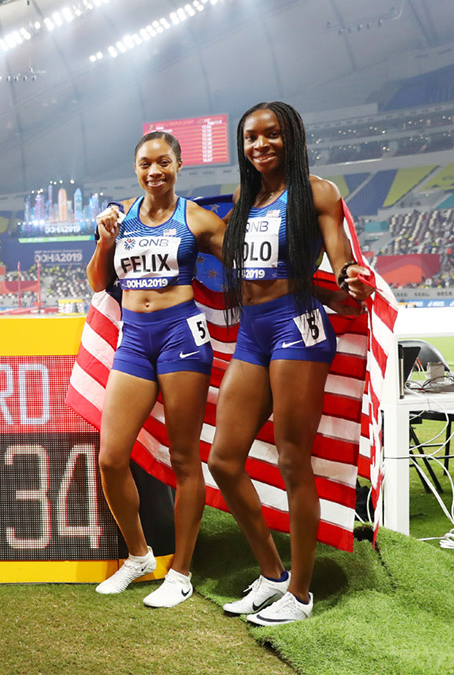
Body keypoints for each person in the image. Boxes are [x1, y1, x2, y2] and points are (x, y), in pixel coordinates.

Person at [207, 101, 371, 626]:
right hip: (252, 333)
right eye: (251, 138)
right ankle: (273, 575)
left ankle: (300, 595)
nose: (260, 146)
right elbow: (216, 247)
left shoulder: (317, 193)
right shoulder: (244, 196)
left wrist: (350, 277)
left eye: (271, 135)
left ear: (291, 137)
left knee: (293, 460)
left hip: (297, 327)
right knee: (224, 460)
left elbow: (340, 257)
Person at [86, 131, 225, 607]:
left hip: (181, 337)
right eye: (145, 164)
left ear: (179, 165)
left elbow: (246, 268)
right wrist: (105, 242)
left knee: (185, 459)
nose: (154, 172)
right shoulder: (119, 216)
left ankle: (180, 573)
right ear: (136, 168)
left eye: (163, 162)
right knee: (111, 456)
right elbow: (98, 281)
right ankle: (140, 555)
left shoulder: (198, 219)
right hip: (134, 339)